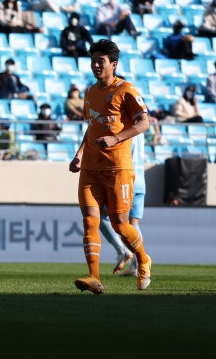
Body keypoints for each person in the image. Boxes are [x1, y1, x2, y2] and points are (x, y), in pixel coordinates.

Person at [69, 39, 152, 294]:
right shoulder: (90, 92)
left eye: (100, 61)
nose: (95, 65)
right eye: (93, 60)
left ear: (113, 64)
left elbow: (144, 123)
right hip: (91, 169)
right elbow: (91, 127)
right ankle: (94, 277)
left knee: (120, 224)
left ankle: (143, 259)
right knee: (89, 221)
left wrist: (116, 138)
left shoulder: (126, 90)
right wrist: (80, 154)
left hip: (118, 168)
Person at [99, 133, 146, 277]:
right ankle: (137, 266)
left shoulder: (125, 129)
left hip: (126, 178)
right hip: (140, 179)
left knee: (100, 215)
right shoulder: (139, 130)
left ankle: (121, 250)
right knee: (133, 222)